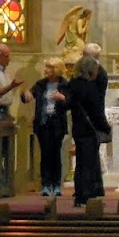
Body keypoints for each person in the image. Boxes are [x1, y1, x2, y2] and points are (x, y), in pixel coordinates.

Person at [67, 53, 111, 206]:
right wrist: (105, 127)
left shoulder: (72, 84)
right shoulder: (90, 87)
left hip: (78, 128)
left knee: (81, 163)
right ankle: (86, 196)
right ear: (91, 71)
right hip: (89, 129)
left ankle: (80, 195)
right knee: (89, 164)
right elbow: (96, 111)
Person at [29, 57, 69, 197]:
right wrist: (25, 95)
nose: (45, 70)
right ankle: (46, 184)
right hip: (43, 121)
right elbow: (28, 96)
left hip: (57, 122)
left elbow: (71, 102)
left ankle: (56, 184)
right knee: (45, 153)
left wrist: (62, 98)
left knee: (55, 153)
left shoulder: (64, 84)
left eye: (49, 68)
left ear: (56, 70)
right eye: (46, 67)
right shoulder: (40, 84)